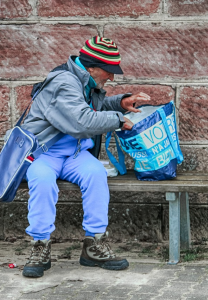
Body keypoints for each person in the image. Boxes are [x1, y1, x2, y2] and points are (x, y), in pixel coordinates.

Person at [21, 36, 151, 278]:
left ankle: (94, 244)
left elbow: (91, 108)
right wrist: (119, 120)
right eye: (109, 71)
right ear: (91, 66)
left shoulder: (84, 80)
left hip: (75, 153)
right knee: (42, 181)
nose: (111, 77)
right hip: (45, 153)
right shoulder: (64, 82)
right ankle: (40, 245)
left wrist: (120, 104)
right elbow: (81, 121)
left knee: (96, 174)